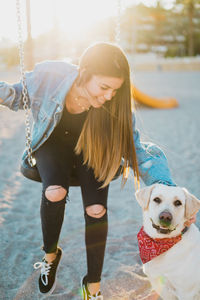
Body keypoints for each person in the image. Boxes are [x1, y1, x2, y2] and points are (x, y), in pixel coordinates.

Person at [0, 42, 195, 300]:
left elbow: (138, 150)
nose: (108, 96)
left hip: (91, 148)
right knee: (55, 192)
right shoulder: (50, 76)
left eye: (115, 90)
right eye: (104, 87)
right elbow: (14, 96)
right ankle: (50, 256)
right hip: (52, 143)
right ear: (84, 72)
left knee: (96, 209)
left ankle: (92, 287)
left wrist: (164, 186)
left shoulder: (115, 106)